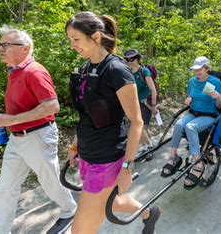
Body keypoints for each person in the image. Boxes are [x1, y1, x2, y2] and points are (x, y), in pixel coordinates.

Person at [65, 12, 161, 234]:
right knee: (111, 200)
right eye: (70, 39)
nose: (72, 45)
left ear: (96, 36)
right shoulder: (86, 68)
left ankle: (147, 212)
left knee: (80, 230)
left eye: (76, 39)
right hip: (87, 154)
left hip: (106, 158)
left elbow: (137, 122)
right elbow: (87, 114)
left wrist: (127, 167)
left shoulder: (116, 70)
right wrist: (74, 145)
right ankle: (149, 212)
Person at [0, 25, 77, 234]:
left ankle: (70, 209)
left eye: (6, 45)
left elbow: (52, 106)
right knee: (6, 188)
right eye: (0, 44)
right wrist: (9, 121)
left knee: (50, 181)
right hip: (16, 139)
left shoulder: (34, 71)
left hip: (37, 135)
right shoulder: (13, 70)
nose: (0, 48)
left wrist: (11, 119)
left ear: (25, 48)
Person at [161, 56, 221, 189]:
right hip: (193, 113)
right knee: (178, 125)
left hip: (209, 115)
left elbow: (220, 106)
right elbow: (189, 97)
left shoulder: (215, 82)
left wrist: (218, 97)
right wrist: (187, 100)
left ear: (207, 68)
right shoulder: (192, 81)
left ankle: (197, 161)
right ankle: (173, 157)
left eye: (199, 70)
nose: (197, 73)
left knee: (190, 127)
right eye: (195, 70)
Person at [124, 49, 157, 161]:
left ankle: (149, 146)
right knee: (137, 127)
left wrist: (153, 105)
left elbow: (153, 89)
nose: (129, 61)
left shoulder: (144, 71)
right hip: (134, 104)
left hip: (145, 103)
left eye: (131, 59)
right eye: (127, 59)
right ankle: (145, 146)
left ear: (137, 58)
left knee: (138, 127)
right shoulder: (128, 72)